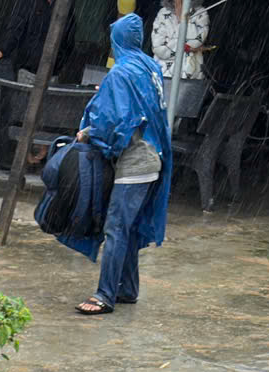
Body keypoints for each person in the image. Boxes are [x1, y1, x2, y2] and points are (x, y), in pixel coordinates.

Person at [70, 15, 173, 318]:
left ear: (116, 41)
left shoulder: (121, 73)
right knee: (127, 227)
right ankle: (127, 288)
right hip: (154, 158)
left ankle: (104, 295)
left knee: (115, 227)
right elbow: (138, 107)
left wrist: (87, 133)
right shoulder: (149, 67)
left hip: (135, 162)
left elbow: (113, 123)